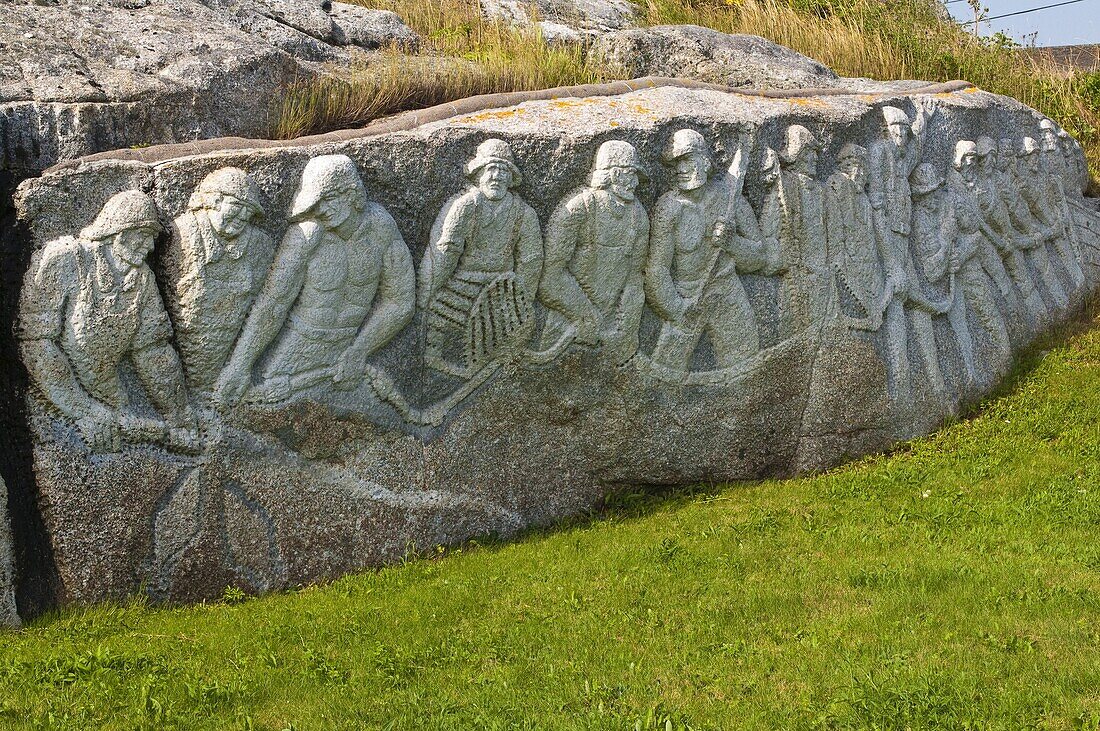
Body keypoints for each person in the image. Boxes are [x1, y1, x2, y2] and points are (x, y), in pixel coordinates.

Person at [214, 154, 415, 407]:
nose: (321, 210)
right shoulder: (307, 235)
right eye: (315, 203)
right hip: (295, 354)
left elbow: (401, 300)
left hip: (350, 346)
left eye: (328, 199)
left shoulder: (381, 228)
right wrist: (240, 365)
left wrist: (360, 350)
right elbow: (274, 303)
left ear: (352, 194)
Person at [19, 190, 198, 453]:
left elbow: (153, 351)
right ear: (121, 230)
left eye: (153, 238)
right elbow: (36, 344)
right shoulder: (66, 259)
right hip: (57, 400)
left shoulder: (141, 279)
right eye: (145, 235)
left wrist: (179, 416)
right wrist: (82, 411)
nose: (149, 247)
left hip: (114, 401)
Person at [645, 128, 769, 374]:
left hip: (727, 292)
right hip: (687, 296)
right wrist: (678, 309)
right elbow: (657, 271)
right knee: (663, 374)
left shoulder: (730, 198)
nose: (680, 169)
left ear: (704, 161)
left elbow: (759, 257)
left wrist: (732, 243)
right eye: (675, 164)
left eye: (686, 160)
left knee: (746, 369)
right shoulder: (669, 209)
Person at [419, 139, 543, 375]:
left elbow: (531, 260)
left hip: (503, 287)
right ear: (478, 173)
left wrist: (522, 301)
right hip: (462, 283)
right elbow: (445, 253)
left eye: (503, 170)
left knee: (507, 328)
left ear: (511, 178)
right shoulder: (465, 206)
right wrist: (426, 295)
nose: (496, 176)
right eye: (490, 169)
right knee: (438, 317)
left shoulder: (524, 213)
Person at [537, 140, 649, 365]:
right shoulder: (579, 209)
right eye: (631, 174)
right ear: (614, 174)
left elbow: (635, 279)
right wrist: (587, 317)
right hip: (567, 325)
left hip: (612, 330)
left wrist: (626, 329)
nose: (636, 182)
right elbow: (550, 277)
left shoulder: (639, 216)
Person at [167, 167, 274, 395]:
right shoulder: (184, 233)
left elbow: (264, 306)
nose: (242, 217)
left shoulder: (258, 244)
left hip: (229, 349)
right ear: (214, 201)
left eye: (248, 211)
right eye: (236, 206)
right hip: (186, 346)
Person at [909, 163, 975, 392]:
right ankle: (939, 391)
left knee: (962, 327)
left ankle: (971, 372)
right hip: (926, 293)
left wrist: (961, 254)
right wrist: (947, 244)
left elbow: (972, 234)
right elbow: (932, 271)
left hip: (950, 283)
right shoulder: (919, 219)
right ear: (920, 197)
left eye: (936, 191)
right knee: (931, 349)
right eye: (928, 194)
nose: (934, 198)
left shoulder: (945, 206)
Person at [947, 141, 1012, 374]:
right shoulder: (951, 186)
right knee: (981, 301)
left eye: (974, 159)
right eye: (967, 159)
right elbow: (957, 224)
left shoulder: (975, 182)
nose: (970, 163)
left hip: (981, 241)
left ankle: (1012, 332)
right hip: (966, 249)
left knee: (1002, 280)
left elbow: (981, 217)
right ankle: (993, 353)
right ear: (958, 160)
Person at [772, 125, 828, 338]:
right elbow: (772, 228)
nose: (815, 159)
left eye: (815, 153)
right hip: (796, 274)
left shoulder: (820, 190)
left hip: (822, 274)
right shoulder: (784, 185)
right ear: (798, 155)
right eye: (809, 153)